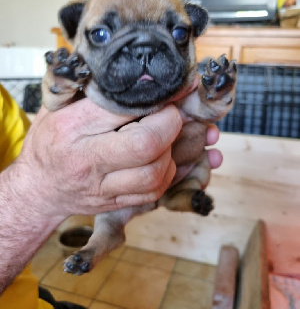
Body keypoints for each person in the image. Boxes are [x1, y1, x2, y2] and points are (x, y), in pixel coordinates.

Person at [0, 83, 222, 308]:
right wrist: (37, 191)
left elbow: (34, 149)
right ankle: (98, 246)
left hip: (31, 298)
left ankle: (185, 195)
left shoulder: (3, 101)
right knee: (111, 221)